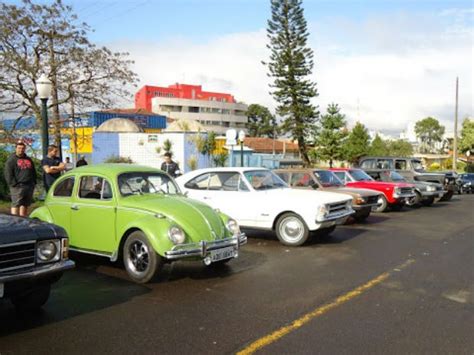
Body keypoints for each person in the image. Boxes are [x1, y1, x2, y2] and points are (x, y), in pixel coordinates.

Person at [4, 141, 37, 216]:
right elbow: (8, 173)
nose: (21, 150)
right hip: (18, 186)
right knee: (16, 204)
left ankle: (23, 220)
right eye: (19, 148)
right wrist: (13, 184)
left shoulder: (29, 159)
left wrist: (34, 182)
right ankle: (14, 221)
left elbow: (33, 171)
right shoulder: (11, 160)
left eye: (23, 148)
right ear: (16, 149)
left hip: (29, 185)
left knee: (25, 204)